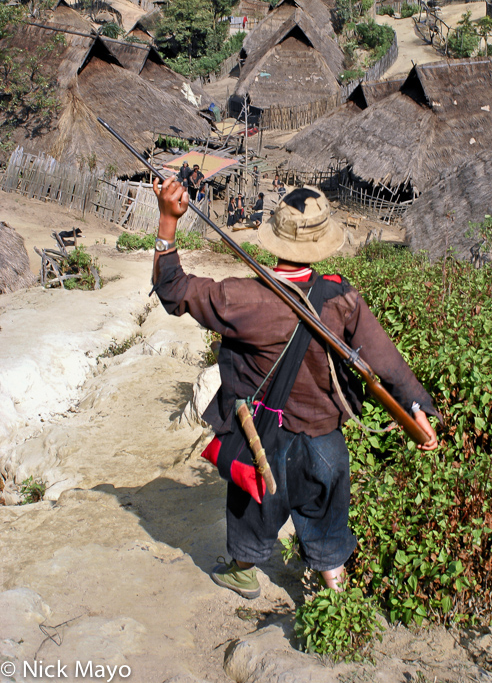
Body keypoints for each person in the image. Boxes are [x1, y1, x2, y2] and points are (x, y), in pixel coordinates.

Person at [152, 179, 440, 600]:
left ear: (274, 236)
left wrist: (167, 219)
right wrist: (418, 406)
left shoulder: (242, 297)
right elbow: (386, 358)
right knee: (327, 516)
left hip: (263, 440)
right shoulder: (342, 298)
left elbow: (173, 289)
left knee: (254, 505)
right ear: (323, 242)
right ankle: (337, 598)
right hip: (326, 441)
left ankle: (243, 571)